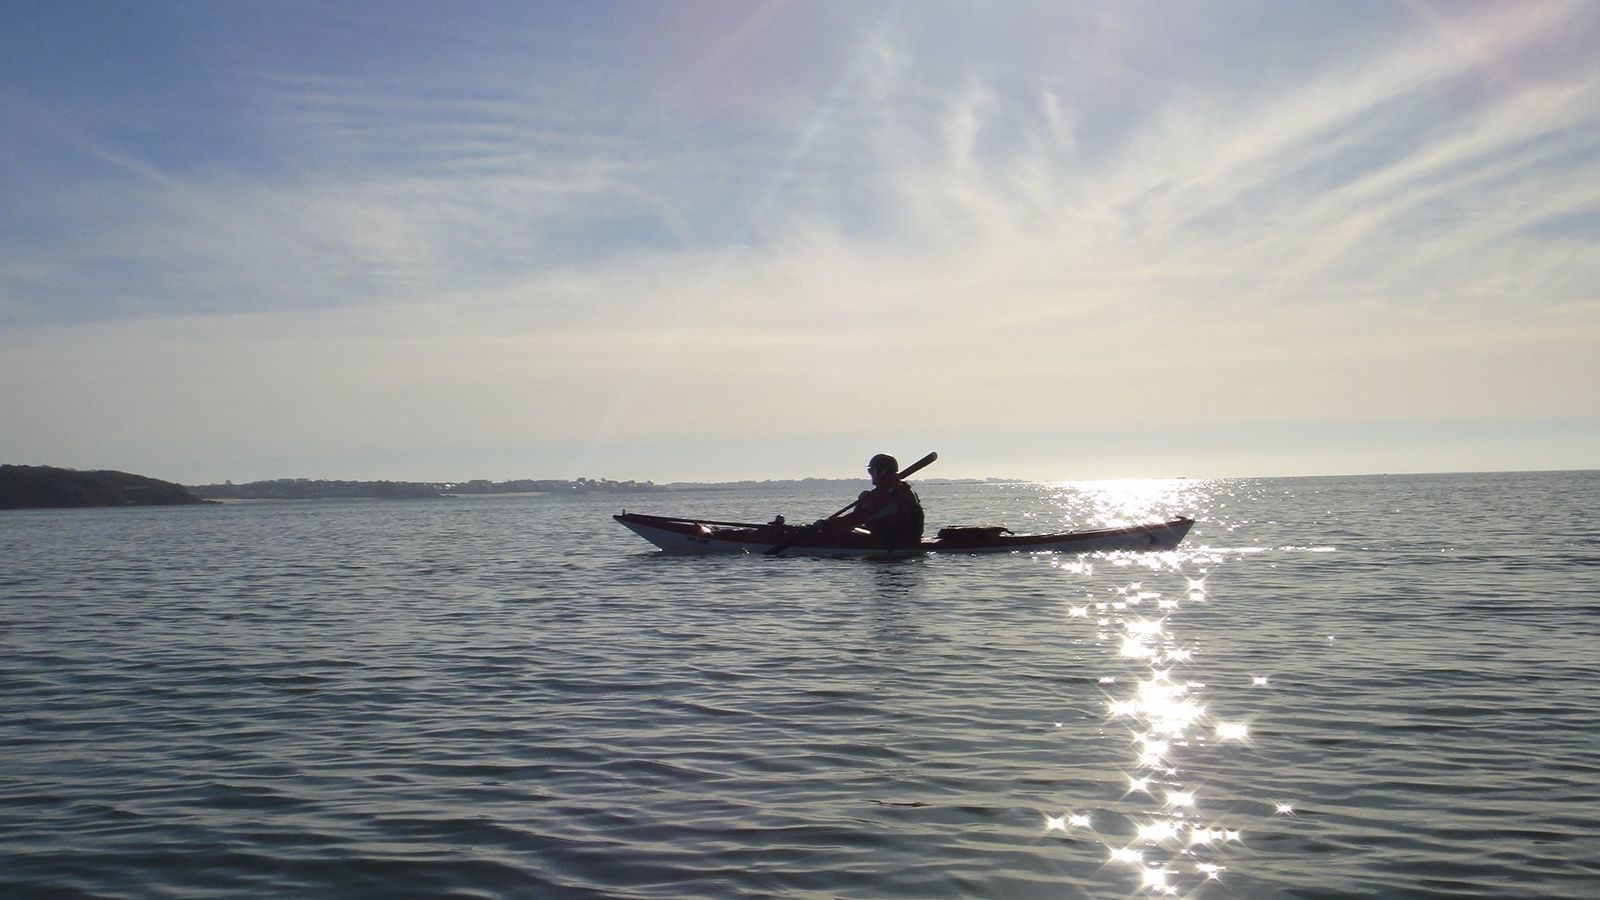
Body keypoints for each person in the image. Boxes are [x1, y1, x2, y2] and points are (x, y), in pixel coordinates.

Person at [822, 453, 925, 546]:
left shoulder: (879, 495)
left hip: (891, 542)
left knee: (832, 534)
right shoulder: (906, 490)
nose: (870, 474)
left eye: (871, 470)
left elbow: (855, 519)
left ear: (879, 470)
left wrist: (825, 524)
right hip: (909, 538)